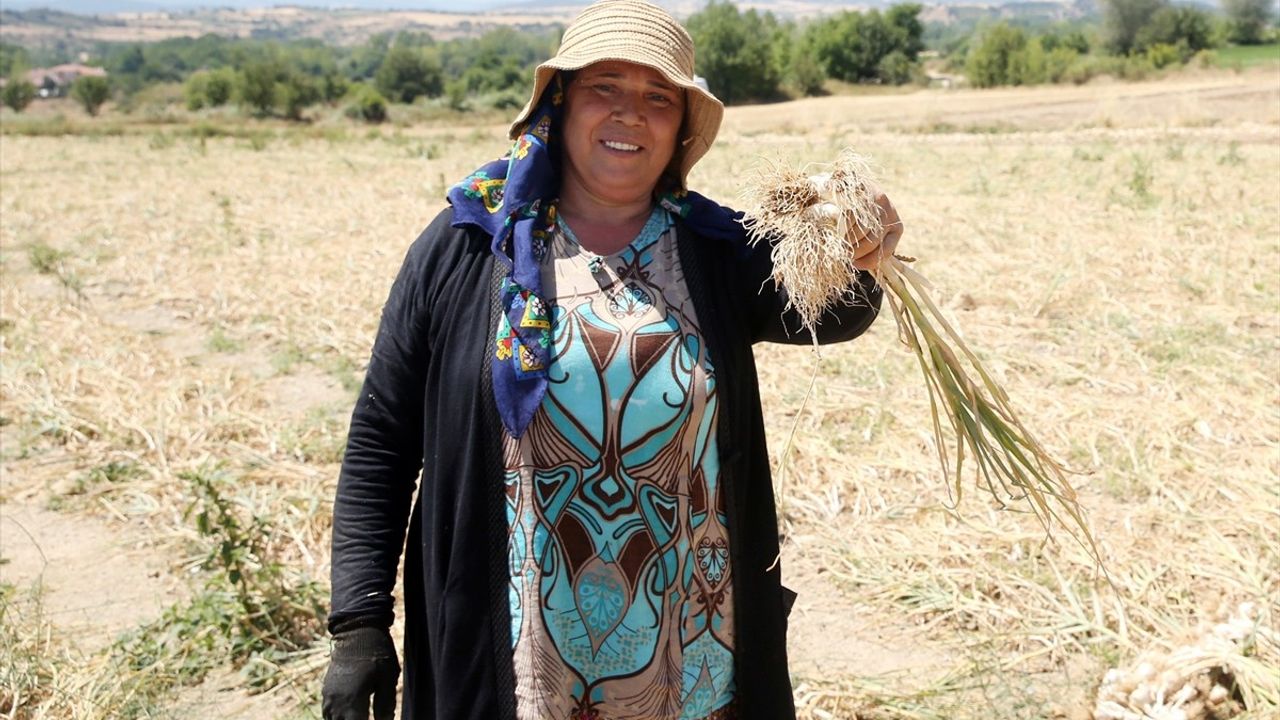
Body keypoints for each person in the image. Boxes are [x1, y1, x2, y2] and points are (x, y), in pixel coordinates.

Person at [321, 1, 903, 719]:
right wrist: (358, 624)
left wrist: (862, 246)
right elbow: (382, 438)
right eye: (605, 87)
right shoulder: (467, 244)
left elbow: (833, 312)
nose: (631, 113)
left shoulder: (715, 248)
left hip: (692, 658)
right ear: (561, 104)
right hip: (513, 661)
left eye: (659, 97)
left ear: (680, 128)